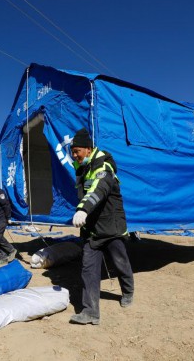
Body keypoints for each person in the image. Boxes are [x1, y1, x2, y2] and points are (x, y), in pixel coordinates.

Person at [69, 128, 134, 325]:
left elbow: (98, 190)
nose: (74, 155)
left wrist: (83, 209)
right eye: (72, 152)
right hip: (92, 230)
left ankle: (128, 292)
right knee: (88, 270)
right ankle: (90, 312)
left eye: (77, 151)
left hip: (111, 228)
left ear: (88, 149)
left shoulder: (104, 167)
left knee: (120, 264)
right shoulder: (82, 169)